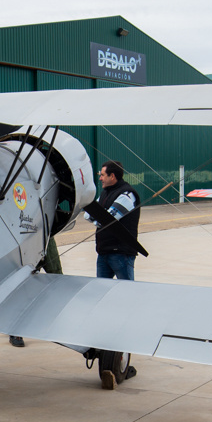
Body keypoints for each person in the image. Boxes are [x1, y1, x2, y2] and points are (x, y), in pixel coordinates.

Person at [83, 160, 147, 389]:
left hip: (121, 254)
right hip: (105, 254)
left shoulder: (127, 194)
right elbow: (93, 218)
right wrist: (94, 213)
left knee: (127, 302)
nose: (100, 178)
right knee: (103, 300)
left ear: (113, 176)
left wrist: (94, 213)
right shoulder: (106, 193)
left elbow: (107, 217)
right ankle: (106, 345)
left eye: (102, 174)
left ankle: (122, 354)